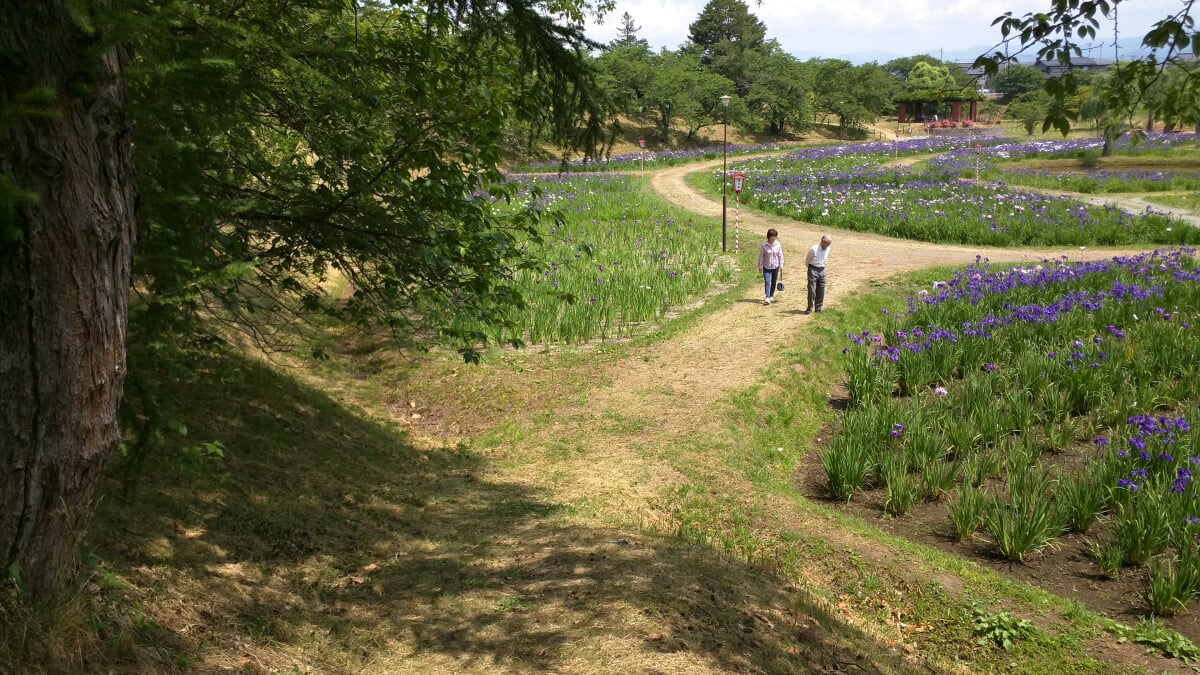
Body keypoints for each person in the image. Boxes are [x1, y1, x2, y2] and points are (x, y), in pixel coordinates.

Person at [804, 234, 832, 314]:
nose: (828, 246)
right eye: (827, 244)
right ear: (822, 242)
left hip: (822, 269)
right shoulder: (813, 249)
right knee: (812, 289)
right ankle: (810, 307)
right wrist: (810, 269)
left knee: (821, 288)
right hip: (813, 268)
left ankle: (818, 308)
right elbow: (807, 260)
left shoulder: (828, 249)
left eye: (829, 244)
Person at [757, 228, 783, 305]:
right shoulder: (764, 245)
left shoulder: (778, 244)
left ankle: (771, 295)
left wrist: (781, 265)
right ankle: (767, 297)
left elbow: (780, 255)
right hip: (766, 266)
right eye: (772, 236)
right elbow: (761, 256)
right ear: (769, 236)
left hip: (775, 266)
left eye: (775, 236)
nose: (774, 238)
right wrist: (760, 265)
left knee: (773, 281)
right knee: (767, 282)